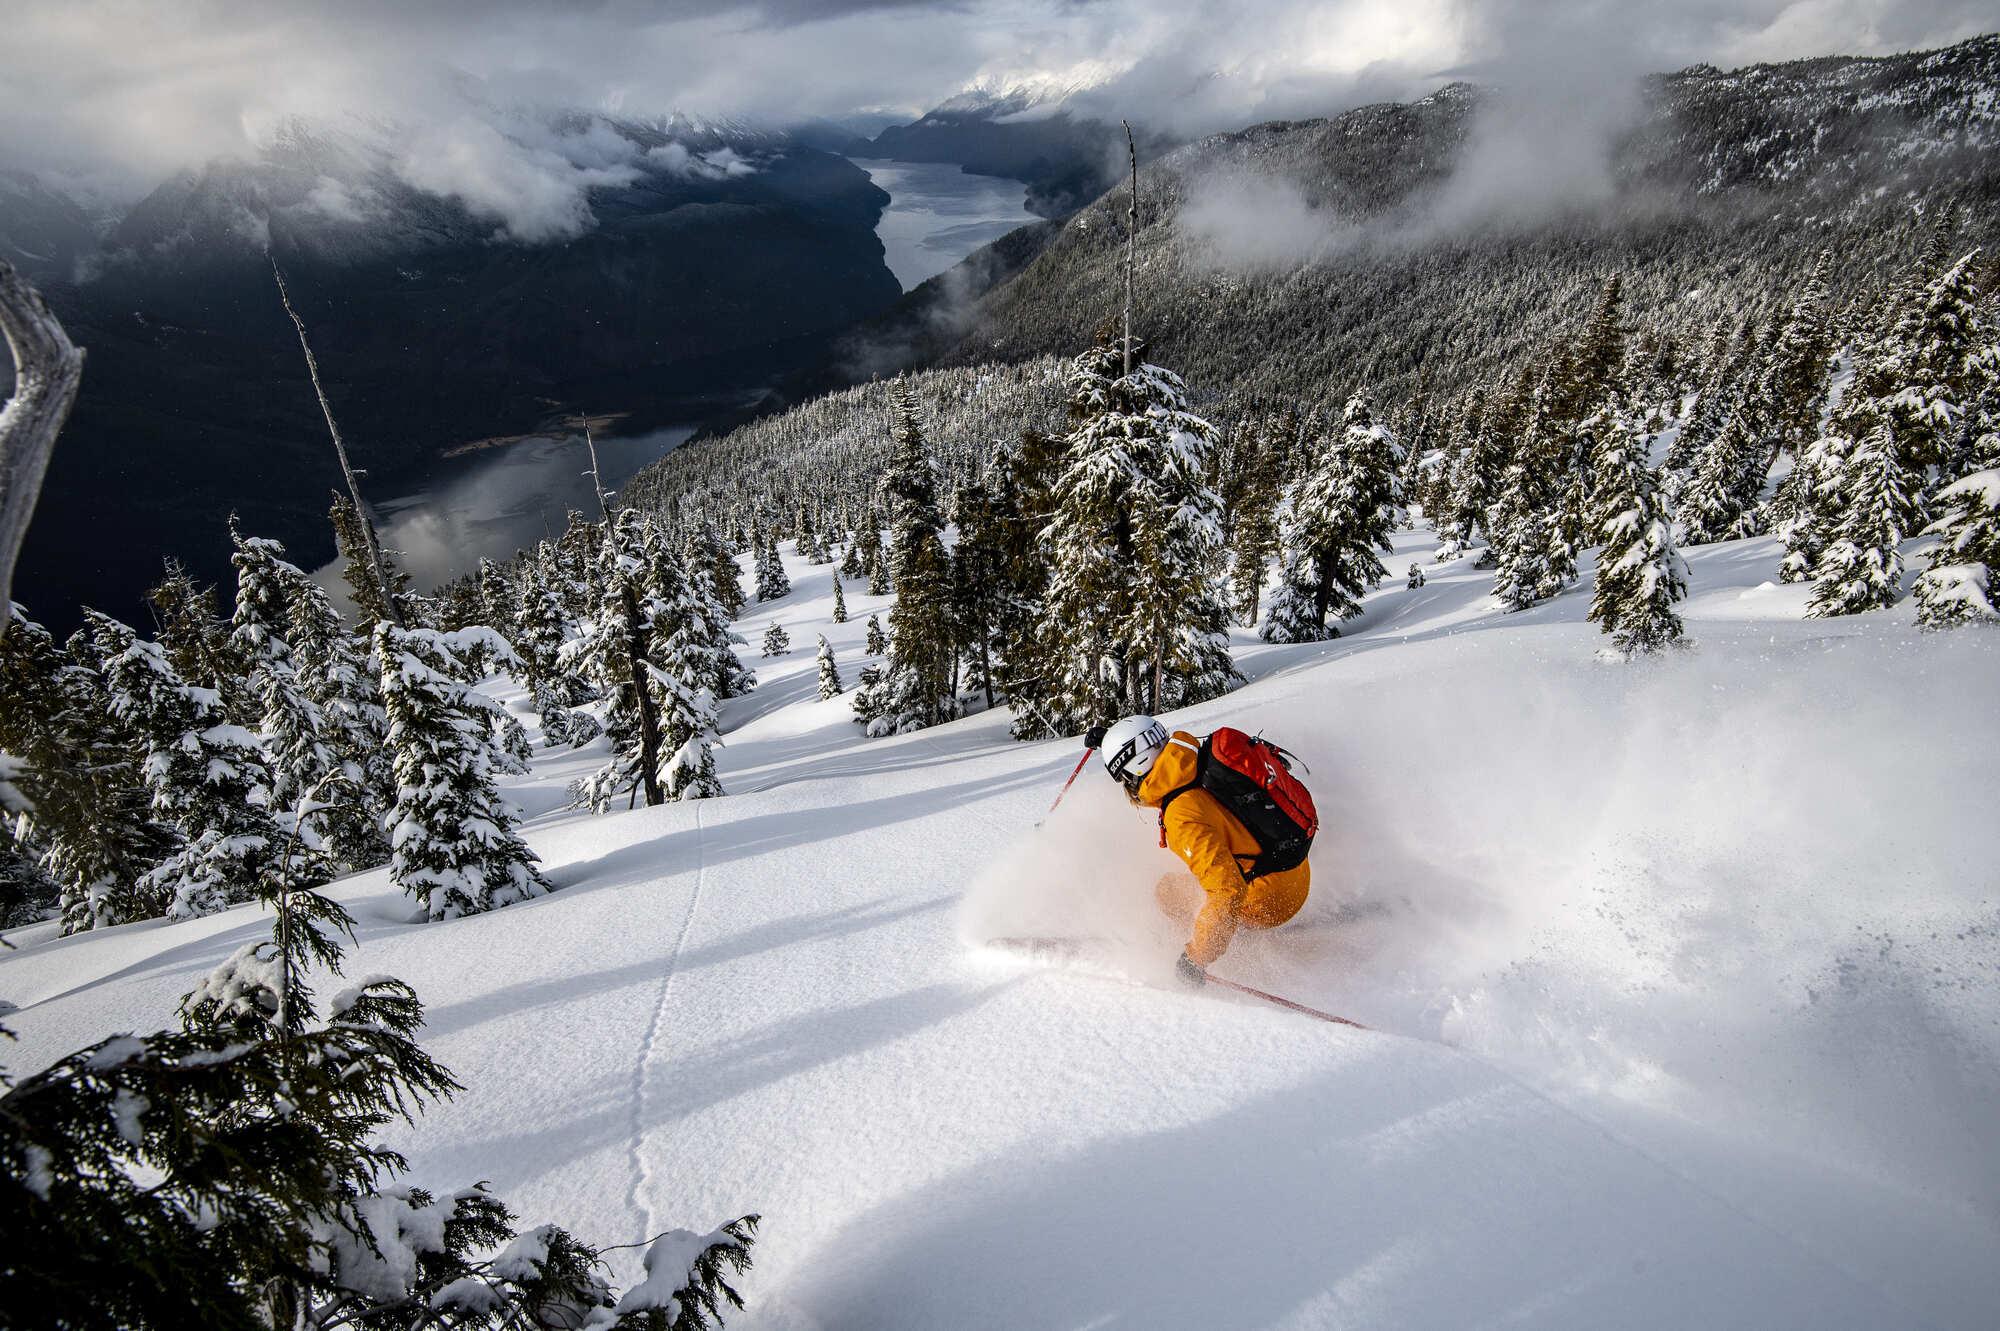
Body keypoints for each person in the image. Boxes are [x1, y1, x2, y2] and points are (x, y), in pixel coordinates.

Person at [1088, 715, 1313, 985]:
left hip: (1272, 901)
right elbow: (1140, 742)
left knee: (1168, 893)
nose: (1126, 787)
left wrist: (1195, 958)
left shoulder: (1182, 815)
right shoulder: (1190, 755)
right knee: (1190, 882)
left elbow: (1228, 891)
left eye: (1123, 777)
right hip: (1294, 869)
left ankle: (1215, 936)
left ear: (1138, 767)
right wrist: (1109, 742)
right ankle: (1218, 928)